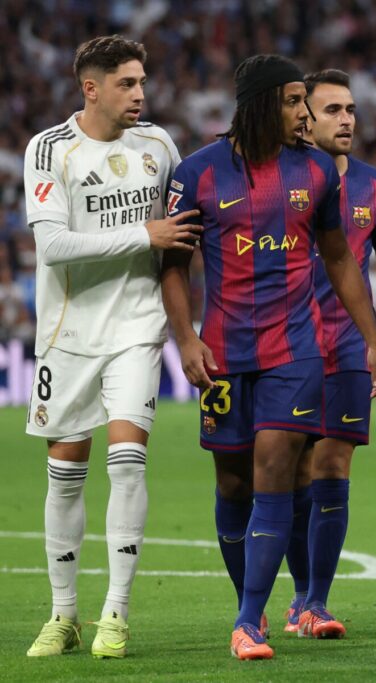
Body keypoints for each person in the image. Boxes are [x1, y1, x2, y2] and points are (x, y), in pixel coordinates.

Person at [161, 54, 376, 660]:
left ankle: (249, 623)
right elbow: (172, 266)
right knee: (233, 480)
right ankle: (252, 602)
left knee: (275, 471)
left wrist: (374, 339)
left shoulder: (315, 171)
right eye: (294, 102)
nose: (305, 114)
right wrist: (185, 338)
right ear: (263, 104)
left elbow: (340, 258)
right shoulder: (197, 173)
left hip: (295, 351)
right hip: (224, 353)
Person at [23, 34, 198, 659]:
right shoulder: (49, 149)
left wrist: (185, 329)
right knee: (66, 474)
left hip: (136, 327)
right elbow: (53, 245)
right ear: (90, 88)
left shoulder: (159, 147)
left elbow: (181, 236)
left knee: (127, 462)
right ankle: (63, 615)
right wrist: (143, 234)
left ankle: (115, 614)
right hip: (67, 333)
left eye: (142, 81)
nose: (140, 93)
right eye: (127, 83)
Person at [281, 68, 376, 638]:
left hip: (347, 346)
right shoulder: (275, 178)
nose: (346, 120)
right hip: (284, 345)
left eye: (351, 109)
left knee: (333, 466)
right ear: (303, 116)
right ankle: (297, 593)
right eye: (332, 110)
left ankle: (315, 601)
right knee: (292, 472)